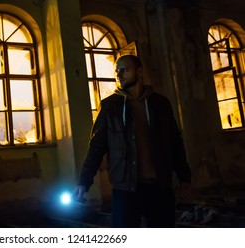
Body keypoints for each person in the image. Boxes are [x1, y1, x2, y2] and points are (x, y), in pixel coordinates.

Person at [74, 54, 192, 228]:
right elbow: (97, 146)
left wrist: (184, 178)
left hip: (159, 187)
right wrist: (84, 182)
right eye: (117, 71)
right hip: (125, 189)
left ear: (140, 71)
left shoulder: (160, 104)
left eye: (125, 70)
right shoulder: (110, 106)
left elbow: (175, 142)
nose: (119, 74)